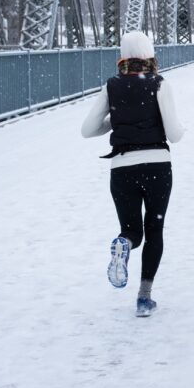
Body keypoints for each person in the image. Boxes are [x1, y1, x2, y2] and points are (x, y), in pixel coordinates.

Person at [81, 31, 185, 317]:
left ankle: (123, 245)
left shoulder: (111, 86)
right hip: (157, 166)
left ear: (122, 58)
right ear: (151, 57)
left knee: (132, 230)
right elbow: (174, 134)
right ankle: (143, 298)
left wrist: (115, 123)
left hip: (122, 168)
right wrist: (179, 127)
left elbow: (87, 130)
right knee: (154, 229)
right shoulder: (159, 84)